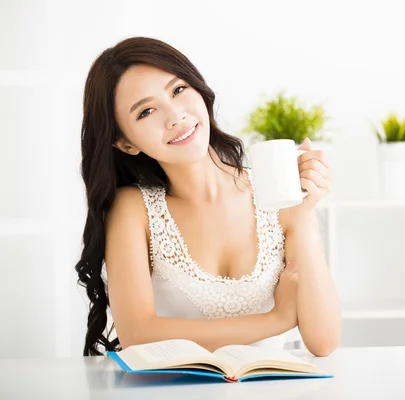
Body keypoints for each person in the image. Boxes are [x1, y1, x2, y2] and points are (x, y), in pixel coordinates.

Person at [74, 36, 341, 357]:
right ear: (125, 143)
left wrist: (305, 213)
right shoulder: (134, 209)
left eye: (178, 90)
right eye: (146, 111)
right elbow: (138, 335)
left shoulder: (273, 194)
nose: (175, 117)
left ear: (199, 89)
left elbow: (323, 341)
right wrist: (277, 319)